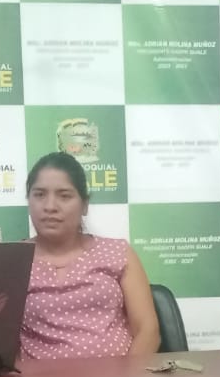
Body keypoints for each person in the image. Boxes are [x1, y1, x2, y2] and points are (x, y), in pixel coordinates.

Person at [20, 152, 159, 359]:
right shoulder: (11, 260)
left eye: (64, 196)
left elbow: (148, 331)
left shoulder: (117, 252)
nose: (50, 207)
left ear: (84, 205)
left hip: (118, 376)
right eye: (39, 194)